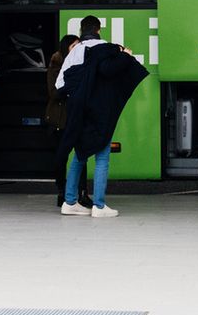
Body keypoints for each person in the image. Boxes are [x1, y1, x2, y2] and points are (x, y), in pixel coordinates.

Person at [56, 15, 148, 218]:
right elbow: (110, 71)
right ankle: (99, 205)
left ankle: (69, 202)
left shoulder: (75, 52)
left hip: (78, 110)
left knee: (79, 154)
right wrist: (125, 56)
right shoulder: (108, 48)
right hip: (100, 111)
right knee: (102, 155)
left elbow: (59, 85)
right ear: (98, 29)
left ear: (81, 30)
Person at [46, 34, 91, 209]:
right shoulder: (56, 65)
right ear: (66, 49)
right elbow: (54, 93)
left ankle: (82, 193)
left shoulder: (82, 65)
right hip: (60, 119)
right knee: (61, 157)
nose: (77, 49)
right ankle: (62, 191)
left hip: (77, 116)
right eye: (74, 46)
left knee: (81, 155)